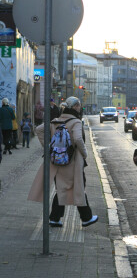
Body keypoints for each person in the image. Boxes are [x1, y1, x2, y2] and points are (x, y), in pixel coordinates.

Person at [27, 96, 98, 227]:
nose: (80, 107)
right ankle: (86, 217)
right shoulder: (75, 122)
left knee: (62, 188)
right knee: (78, 186)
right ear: (75, 107)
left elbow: (38, 130)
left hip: (57, 161)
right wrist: (85, 153)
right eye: (79, 105)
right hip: (72, 162)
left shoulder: (56, 120)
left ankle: (55, 218)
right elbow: (77, 138)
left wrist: (48, 146)